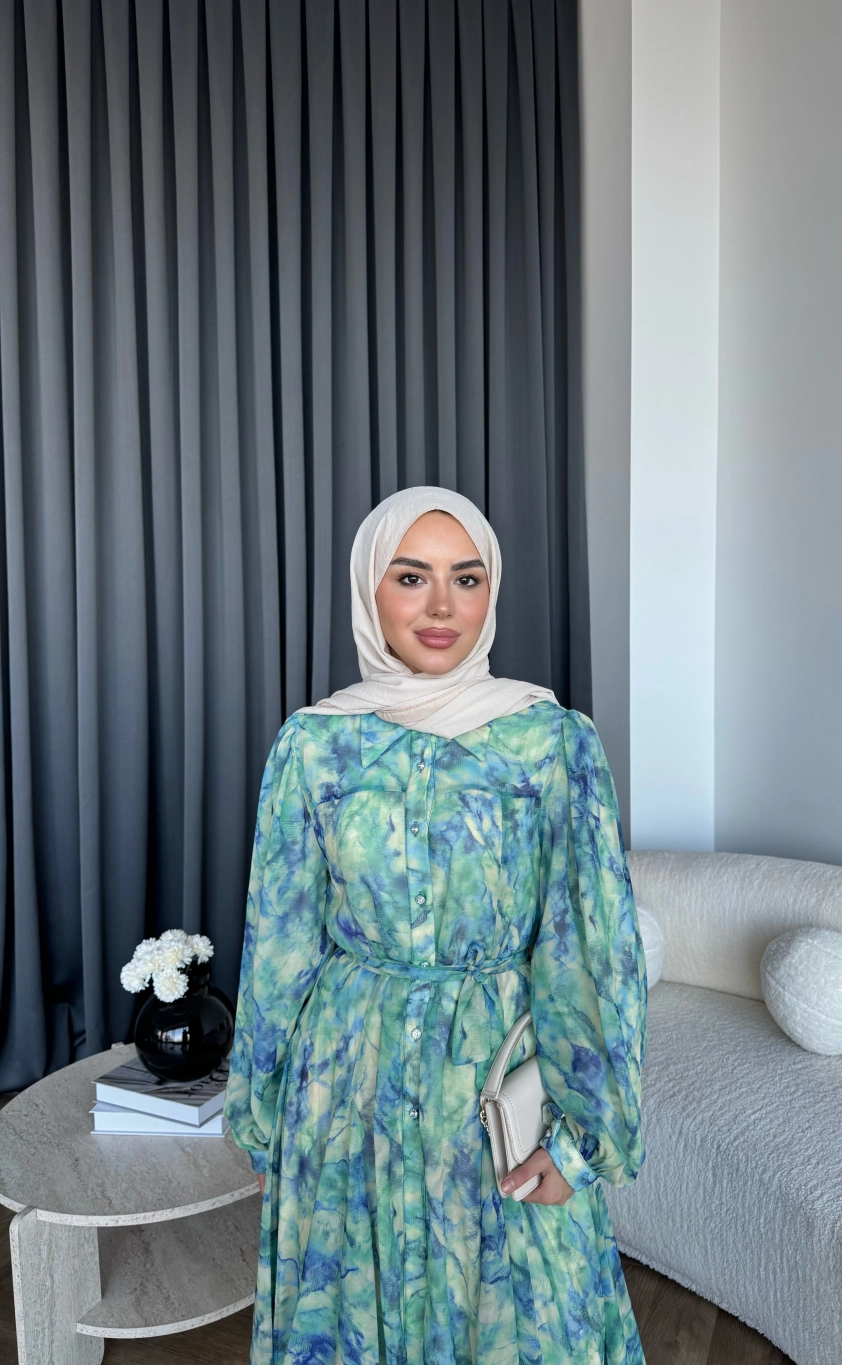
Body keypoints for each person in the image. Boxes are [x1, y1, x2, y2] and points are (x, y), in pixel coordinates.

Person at [226, 485, 648, 1365]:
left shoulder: (552, 744)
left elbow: (591, 949)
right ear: (369, 590)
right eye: (412, 577)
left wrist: (580, 1139)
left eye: (467, 578)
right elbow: (280, 941)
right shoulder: (313, 746)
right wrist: (264, 1111)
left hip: (494, 1083)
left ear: (492, 591)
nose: (443, 607)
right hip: (346, 1089)